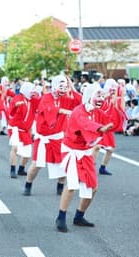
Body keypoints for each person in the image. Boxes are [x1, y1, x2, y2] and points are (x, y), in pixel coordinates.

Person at [55, 83, 115, 233]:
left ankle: (79, 216)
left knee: (93, 187)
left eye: (102, 95)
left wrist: (115, 107)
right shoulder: (78, 111)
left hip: (85, 152)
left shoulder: (96, 111)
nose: (101, 98)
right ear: (90, 96)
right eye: (98, 95)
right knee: (72, 185)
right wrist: (100, 128)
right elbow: (85, 123)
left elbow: (109, 119)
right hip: (72, 151)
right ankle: (61, 217)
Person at [23, 75, 82, 196]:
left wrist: (72, 87)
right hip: (43, 137)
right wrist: (64, 111)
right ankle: (28, 184)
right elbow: (49, 109)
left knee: (62, 164)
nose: (64, 88)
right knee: (36, 164)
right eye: (61, 85)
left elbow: (79, 101)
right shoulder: (46, 97)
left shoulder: (66, 98)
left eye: (65, 85)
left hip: (58, 137)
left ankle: (60, 187)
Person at [93, 79, 127, 175]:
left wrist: (121, 96)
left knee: (110, 149)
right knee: (97, 147)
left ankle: (103, 167)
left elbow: (120, 108)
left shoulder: (112, 98)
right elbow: (100, 101)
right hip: (99, 126)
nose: (113, 89)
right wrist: (111, 93)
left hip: (108, 127)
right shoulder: (101, 96)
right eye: (112, 86)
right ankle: (90, 167)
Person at [7, 82, 40, 178]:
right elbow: (11, 113)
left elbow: (41, 103)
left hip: (25, 130)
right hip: (15, 128)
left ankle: (21, 169)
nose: (32, 93)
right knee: (15, 148)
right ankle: (12, 169)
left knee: (27, 153)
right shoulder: (17, 98)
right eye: (31, 91)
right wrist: (16, 106)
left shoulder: (33, 100)